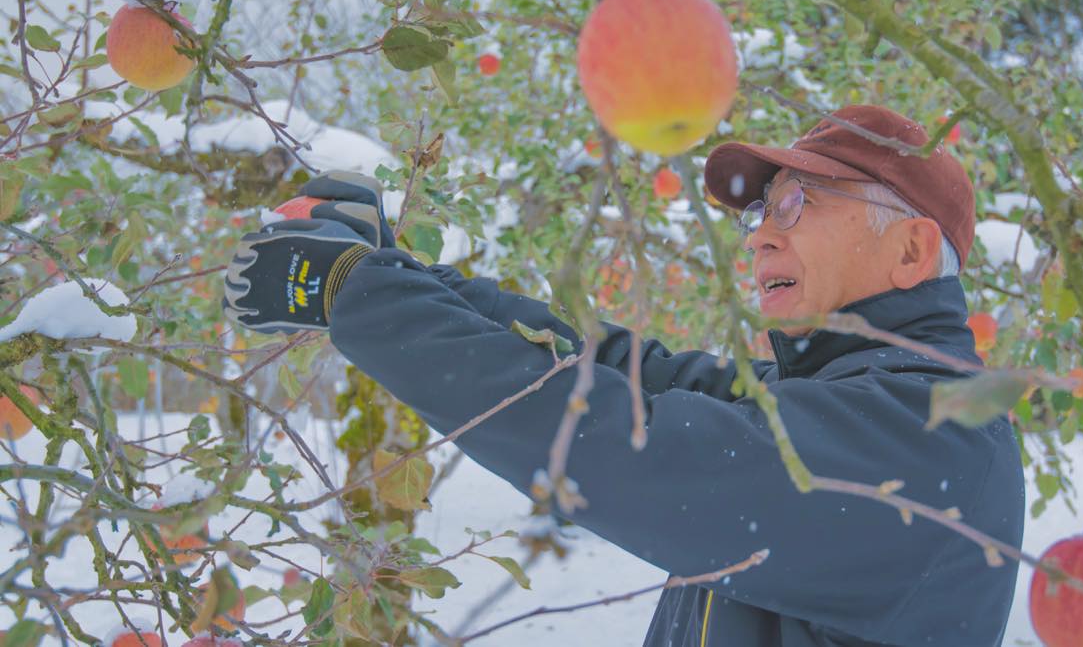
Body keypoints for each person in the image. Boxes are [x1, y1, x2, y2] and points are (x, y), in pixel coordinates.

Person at [223, 105, 1024, 646]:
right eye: (758, 215)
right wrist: (399, 274)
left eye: (796, 205)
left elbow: (622, 444)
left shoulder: (933, 437)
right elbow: (613, 368)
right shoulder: (829, 403)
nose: (757, 240)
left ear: (911, 250)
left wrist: (358, 293)